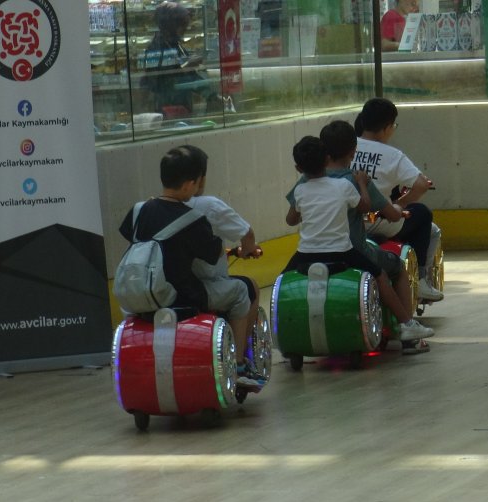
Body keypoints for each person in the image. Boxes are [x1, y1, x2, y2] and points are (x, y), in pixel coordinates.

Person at [284, 136, 435, 343]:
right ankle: (406, 324)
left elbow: (291, 220)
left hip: (306, 253)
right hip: (342, 250)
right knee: (380, 275)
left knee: (281, 280)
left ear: (298, 168)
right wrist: (363, 184)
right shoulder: (344, 186)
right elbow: (364, 206)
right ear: (326, 159)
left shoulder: (300, 189)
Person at [185, 157, 266, 388]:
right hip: (205, 288)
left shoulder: (156, 208)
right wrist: (248, 250)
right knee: (247, 287)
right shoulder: (208, 205)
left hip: (170, 288)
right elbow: (246, 233)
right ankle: (240, 361)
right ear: (200, 179)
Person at [352, 98, 443, 301]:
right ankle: (420, 281)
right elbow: (420, 185)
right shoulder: (392, 155)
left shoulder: (346, 148)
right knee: (421, 213)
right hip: (377, 222)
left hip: (347, 222)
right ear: (386, 127)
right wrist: (400, 203)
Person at [118, 145, 224, 315]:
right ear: (188, 185)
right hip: (182, 297)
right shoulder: (194, 220)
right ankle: (239, 342)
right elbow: (215, 253)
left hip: (139, 295)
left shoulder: (138, 210)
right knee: (241, 291)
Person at [140, 2, 219, 116]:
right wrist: (186, 66)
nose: (184, 30)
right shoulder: (156, 49)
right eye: (181, 26)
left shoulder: (174, 44)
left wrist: (210, 95)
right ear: (170, 25)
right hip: (168, 107)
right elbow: (164, 79)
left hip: (181, 104)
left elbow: (188, 74)